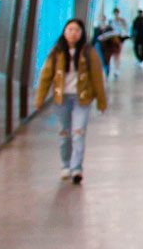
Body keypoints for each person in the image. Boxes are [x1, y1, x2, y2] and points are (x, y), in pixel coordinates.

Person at [36, 19, 106, 185]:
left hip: (82, 99)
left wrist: (101, 101)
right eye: (70, 29)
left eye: (76, 30)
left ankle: (77, 168)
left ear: (82, 33)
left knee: (78, 133)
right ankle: (65, 164)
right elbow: (46, 76)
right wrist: (40, 98)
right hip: (62, 99)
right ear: (64, 32)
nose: (73, 33)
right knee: (64, 133)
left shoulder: (89, 52)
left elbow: (97, 77)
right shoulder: (57, 52)